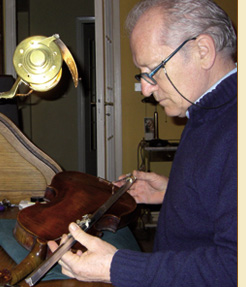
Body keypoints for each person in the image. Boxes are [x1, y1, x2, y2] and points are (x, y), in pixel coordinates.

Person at [48, 0, 237, 286]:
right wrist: (174, 193)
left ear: (203, 51)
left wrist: (118, 267)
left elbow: (233, 269)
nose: (146, 89)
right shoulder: (204, 111)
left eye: (153, 70)